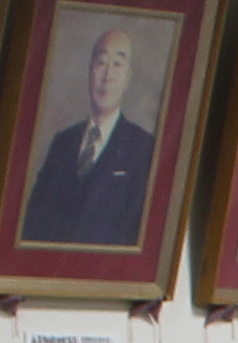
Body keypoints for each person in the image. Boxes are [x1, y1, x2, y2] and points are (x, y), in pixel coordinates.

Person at [16, 26, 155, 247]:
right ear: (90, 71)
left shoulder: (144, 148)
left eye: (117, 64)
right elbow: (33, 221)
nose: (107, 75)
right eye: (101, 63)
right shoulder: (62, 142)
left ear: (128, 78)